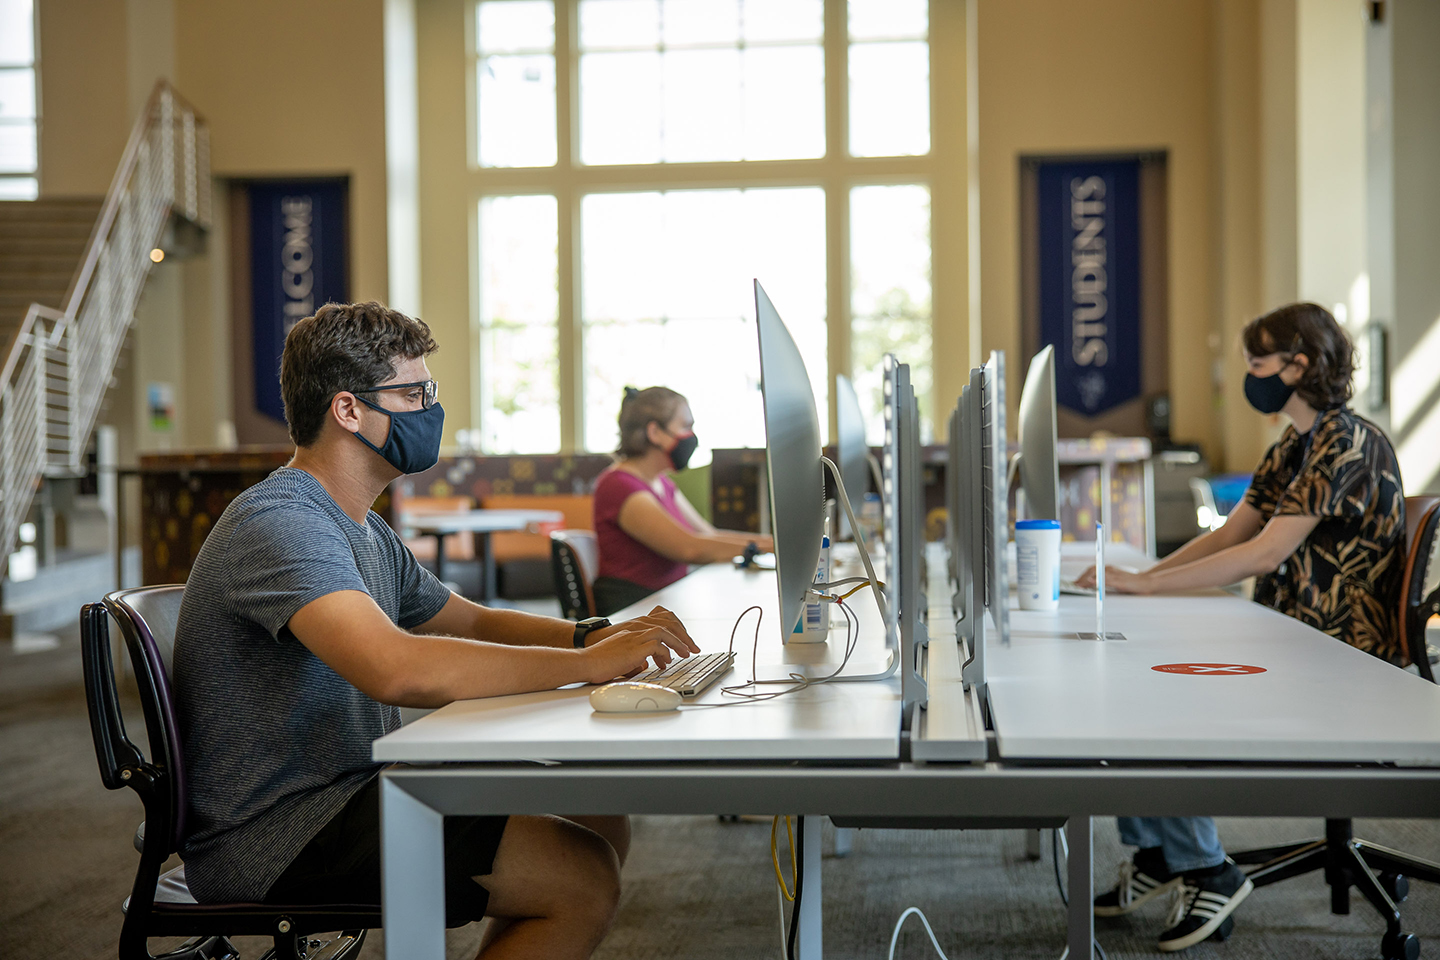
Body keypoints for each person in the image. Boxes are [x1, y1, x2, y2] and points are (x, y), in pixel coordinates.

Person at [173, 302, 699, 959]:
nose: (430, 410)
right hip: (281, 830)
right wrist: (588, 666)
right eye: (414, 393)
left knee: (596, 818)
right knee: (583, 879)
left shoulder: (361, 525)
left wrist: (588, 637)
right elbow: (399, 668)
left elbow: (472, 619)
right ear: (348, 410)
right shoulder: (282, 523)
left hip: (353, 787)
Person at [1078, 302, 1405, 953]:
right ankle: (1161, 858)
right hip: (1291, 637)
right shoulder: (1295, 441)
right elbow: (1234, 529)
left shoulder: (1348, 441)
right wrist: (1138, 576)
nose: (1248, 374)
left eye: (1257, 362)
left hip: (1337, 658)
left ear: (1297, 364)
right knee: (1131, 677)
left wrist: (1143, 584)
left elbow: (1264, 554)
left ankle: (1207, 869)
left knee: (1158, 691)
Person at [590, 386, 774, 616]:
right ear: (655, 432)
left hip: (664, 603)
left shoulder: (662, 483)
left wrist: (773, 544)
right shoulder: (619, 485)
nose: (691, 435)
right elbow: (689, 548)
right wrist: (775, 548)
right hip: (634, 613)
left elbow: (709, 535)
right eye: (686, 426)